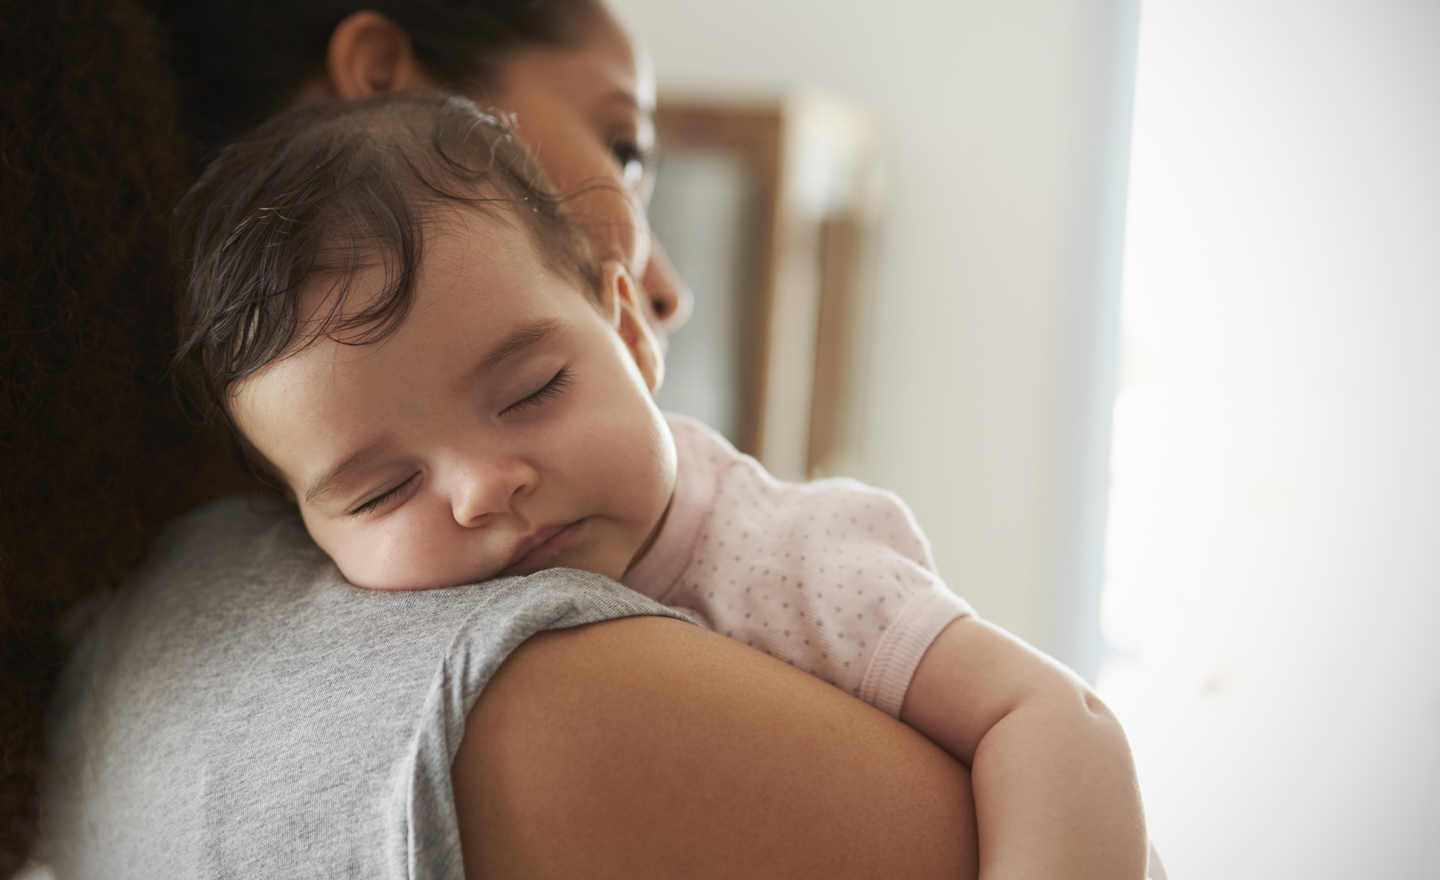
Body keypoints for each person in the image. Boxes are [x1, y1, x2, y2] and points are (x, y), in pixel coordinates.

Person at [25, 1, 987, 878]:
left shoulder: (101, 676)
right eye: (624, 148)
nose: (667, 291)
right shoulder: (533, 706)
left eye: (530, 389)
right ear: (392, 85)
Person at [171, 91, 1149, 880]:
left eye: (532, 391)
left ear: (630, 331)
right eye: (383, 491)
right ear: (301, 524)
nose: (482, 489)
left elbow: (1057, 719)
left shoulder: (790, 556)